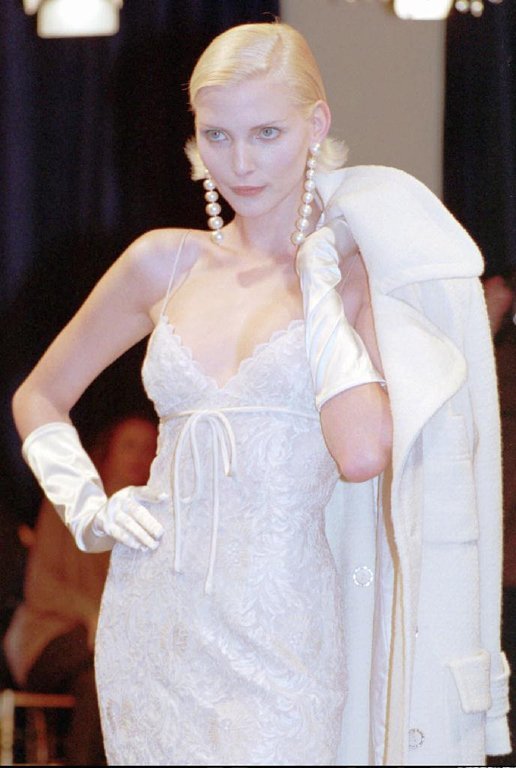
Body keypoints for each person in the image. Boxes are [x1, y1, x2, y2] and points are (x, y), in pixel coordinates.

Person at [10, 20, 510, 767]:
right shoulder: (161, 263)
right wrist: (87, 507)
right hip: (154, 625)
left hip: (282, 642)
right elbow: (39, 397)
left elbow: (362, 452)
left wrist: (320, 282)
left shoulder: (352, 274)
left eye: (266, 133)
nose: (240, 164)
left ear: (317, 124)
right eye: (218, 135)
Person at [3, 415, 157, 766]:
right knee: (111, 671)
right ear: (108, 453)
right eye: (129, 446)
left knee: (103, 681)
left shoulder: (155, 519)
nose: (139, 456)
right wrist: (90, 613)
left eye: (148, 448)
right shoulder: (72, 505)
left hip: (110, 650)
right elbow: (41, 587)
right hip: (49, 636)